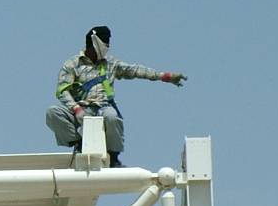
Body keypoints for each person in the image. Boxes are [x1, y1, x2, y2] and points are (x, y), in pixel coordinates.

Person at [44, 26, 186, 167]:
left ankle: (113, 156)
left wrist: (163, 76)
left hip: (103, 108)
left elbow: (134, 70)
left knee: (111, 116)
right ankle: (79, 143)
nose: (108, 46)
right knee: (53, 112)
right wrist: (76, 108)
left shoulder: (110, 64)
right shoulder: (73, 64)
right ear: (95, 42)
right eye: (105, 42)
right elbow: (62, 90)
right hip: (80, 110)